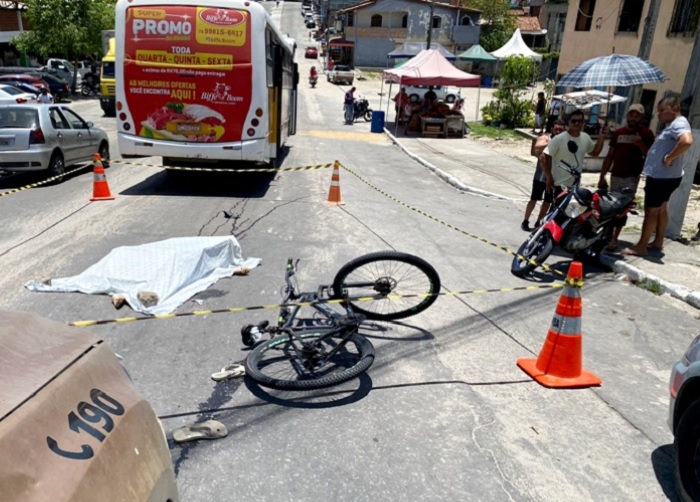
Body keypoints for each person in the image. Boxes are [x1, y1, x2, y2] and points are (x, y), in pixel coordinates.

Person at [623, 95, 694, 257]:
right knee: (661, 209)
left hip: (661, 177)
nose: (659, 114)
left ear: (673, 109)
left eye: (662, 111)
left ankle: (641, 246)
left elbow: (687, 141)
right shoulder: (673, 125)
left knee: (651, 211)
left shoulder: (679, 124)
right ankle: (658, 241)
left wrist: (669, 157)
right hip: (667, 176)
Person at [597, 104, 656, 250]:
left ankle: (614, 238)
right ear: (627, 116)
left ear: (641, 117)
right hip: (615, 176)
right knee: (609, 207)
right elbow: (610, 155)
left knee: (622, 209)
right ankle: (606, 234)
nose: (633, 118)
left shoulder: (647, 134)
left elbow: (650, 156)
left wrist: (640, 143)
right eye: (631, 115)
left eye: (637, 116)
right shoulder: (618, 133)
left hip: (631, 177)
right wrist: (602, 175)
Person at [541, 109, 607, 196]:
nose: (576, 123)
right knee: (557, 209)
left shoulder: (585, 138)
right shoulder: (559, 139)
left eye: (579, 121)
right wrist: (549, 177)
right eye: (574, 121)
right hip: (559, 185)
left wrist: (601, 136)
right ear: (568, 123)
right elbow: (543, 157)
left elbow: (595, 153)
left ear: (583, 123)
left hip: (575, 187)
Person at [521, 119, 566, 231]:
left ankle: (538, 223)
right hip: (540, 176)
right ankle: (525, 221)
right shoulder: (546, 138)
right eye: (556, 129)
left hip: (554, 178)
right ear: (552, 129)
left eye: (561, 130)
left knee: (547, 202)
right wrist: (553, 141)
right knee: (534, 199)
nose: (558, 131)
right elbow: (537, 148)